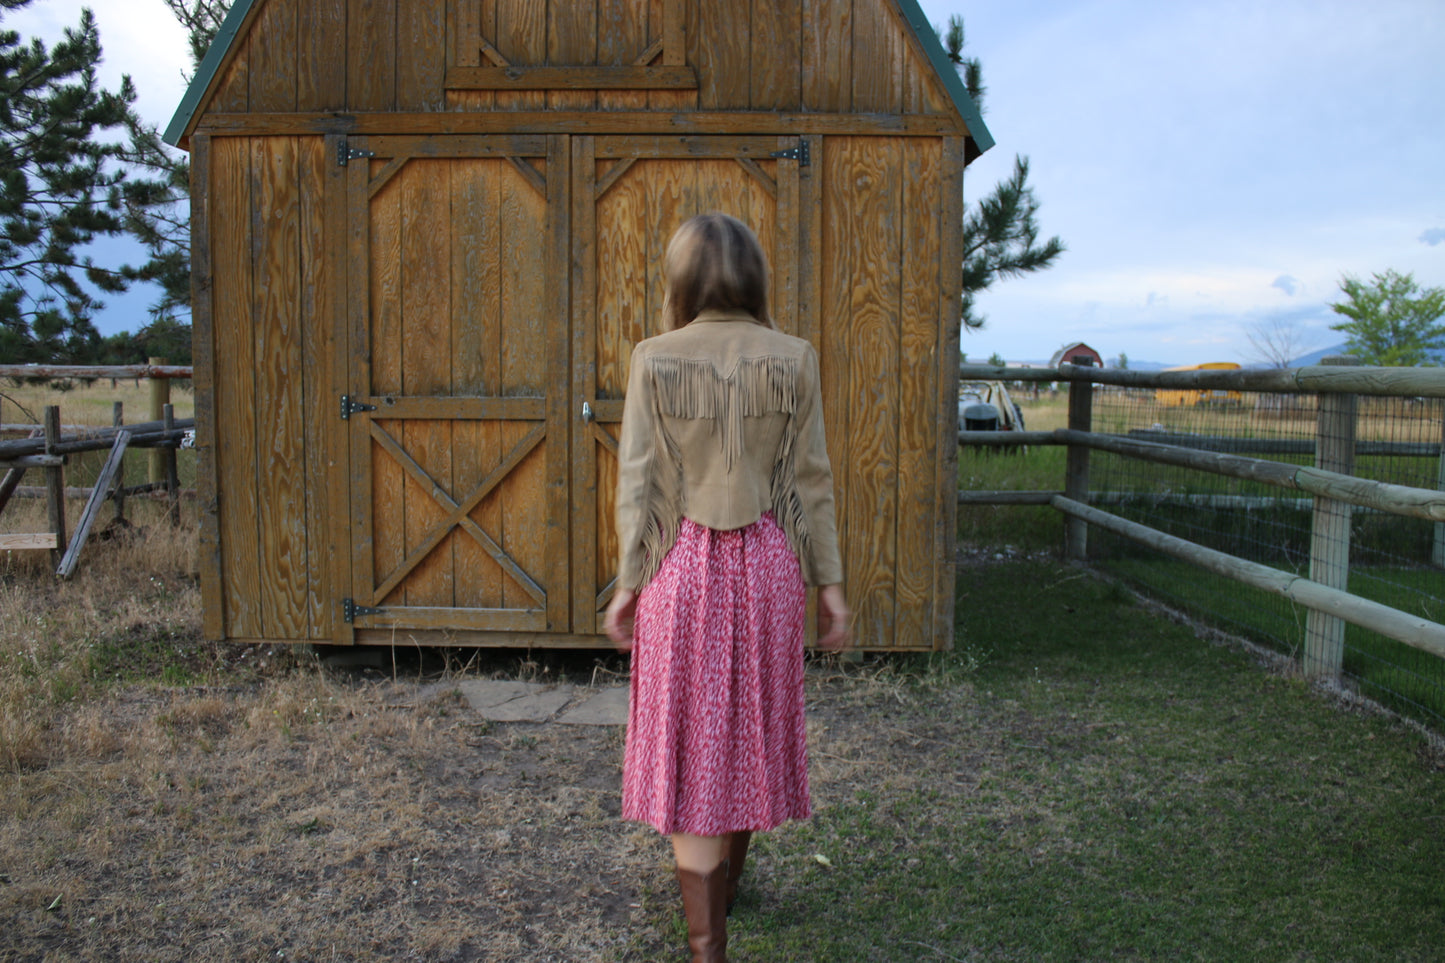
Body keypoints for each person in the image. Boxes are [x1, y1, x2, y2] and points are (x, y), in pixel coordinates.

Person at [604, 213, 849, 962]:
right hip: (768, 567)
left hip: (683, 568)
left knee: (690, 736)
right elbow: (811, 481)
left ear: (680, 281)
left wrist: (626, 582)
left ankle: (708, 944)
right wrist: (829, 585)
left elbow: (639, 485)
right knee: (744, 723)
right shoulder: (793, 356)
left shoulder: (654, 357)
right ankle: (727, 885)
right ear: (754, 278)